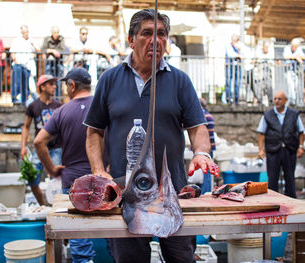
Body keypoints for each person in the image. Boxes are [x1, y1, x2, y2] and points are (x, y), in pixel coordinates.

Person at [84, 9, 219, 263]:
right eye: (147, 33)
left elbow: (197, 127)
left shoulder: (180, 81)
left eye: (161, 34)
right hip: (125, 195)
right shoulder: (109, 80)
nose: (156, 40)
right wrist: (98, 169)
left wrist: (201, 152)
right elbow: (94, 131)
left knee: (181, 258)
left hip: (174, 194)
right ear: (131, 40)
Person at [34, 67, 95, 263]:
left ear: (72, 85)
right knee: (112, 233)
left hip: (73, 180)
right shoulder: (103, 106)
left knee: (79, 237)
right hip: (104, 178)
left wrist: (51, 169)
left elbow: (38, 142)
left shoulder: (61, 112)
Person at [21, 74, 62, 205]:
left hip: (57, 148)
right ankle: (43, 206)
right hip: (40, 148)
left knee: (59, 181)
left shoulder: (59, 105)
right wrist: (23, 147)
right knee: (32, 178)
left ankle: (56, 208)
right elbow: (26, 127)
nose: (54, 86)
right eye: (50, 84)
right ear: (42, 86)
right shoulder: (33, 105)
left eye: (54, 84)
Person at [257, 90, 304, 198]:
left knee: (290, 177)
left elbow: (301, 132)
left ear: (285, 100)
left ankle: (291, 201)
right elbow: (261, 133)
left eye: (279, 99)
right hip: (273, 150)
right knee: (273, 178)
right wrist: (261, 149)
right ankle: (273, 201)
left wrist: (300, 147)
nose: (277, 101)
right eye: (275, 99)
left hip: (289, 149)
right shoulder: (267, 115)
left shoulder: (294, 114)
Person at [10, 25, 39, 105]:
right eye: (24, 32)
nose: (25, 34)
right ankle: (15, 99)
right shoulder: (17, 40)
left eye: (26, 32)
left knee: (26, 85)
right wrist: (15, 61)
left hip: (28, 66)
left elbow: (38, 50)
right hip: (18, 64)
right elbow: (12, 52)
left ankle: (24, 100)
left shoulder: (32, 40)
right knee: (17, 82)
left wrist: (33, 45)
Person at [41, 26, 65, 99]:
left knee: (59, 81)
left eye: (57, 32)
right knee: (49, 81)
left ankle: (57, 99)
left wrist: (56, 52)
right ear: (52, 33)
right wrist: (52, 51)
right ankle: (49, 98)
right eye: (55, 32)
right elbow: (43, 49)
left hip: (59, 63)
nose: (56, 34)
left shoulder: (61, 39)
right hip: (49, 63)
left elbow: (62, 50)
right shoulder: (47, 39)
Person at [199, 98, 216, 194]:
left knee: (206, 172)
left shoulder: (201, 115)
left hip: (205, 149)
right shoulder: (208, 114)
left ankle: (205, 191)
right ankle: (207, 190)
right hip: (210, 147)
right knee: (208, 172)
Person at [283, 38, 305, 105]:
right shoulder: (287, 48)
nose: (294, 48)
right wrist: (295, 57)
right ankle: (292, 101)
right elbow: (285, 57)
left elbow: (303, 57)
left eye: (295, 47)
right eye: (293, 46)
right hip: (289, 70)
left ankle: (294, 100)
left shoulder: (299, 49)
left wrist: (299, 57)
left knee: (295, 86)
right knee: (290, 85)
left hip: (296, 71)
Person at [225, 34, 244, 104]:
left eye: (236, 41)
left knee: (237, 83)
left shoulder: (240, 45)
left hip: (237, 66)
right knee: (228, 82)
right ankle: (228, 99)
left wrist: (239, 50)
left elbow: (243, 54)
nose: (234, 42)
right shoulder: (228, 45)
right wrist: (238, 55)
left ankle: (236, 99)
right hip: (229, 66)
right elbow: (230, 54)